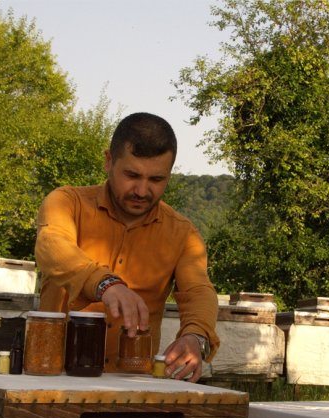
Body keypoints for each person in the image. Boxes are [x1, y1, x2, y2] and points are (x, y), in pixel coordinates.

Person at [34, 112, 219, 382]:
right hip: (52, 375)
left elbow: (199, 290)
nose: (142, 191)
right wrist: (105, 284)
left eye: (157, 180)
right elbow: (52, 246)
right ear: (108, 161)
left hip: (133, 383)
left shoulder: (183, 234)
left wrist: (195, 336)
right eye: (132, 175)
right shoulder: (66, 202)